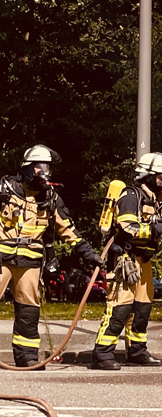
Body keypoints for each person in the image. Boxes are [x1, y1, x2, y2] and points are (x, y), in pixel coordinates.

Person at [0, 145, 105, 367]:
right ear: (27, 168)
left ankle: (27, 357)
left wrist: (89, 255)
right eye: (39, 167)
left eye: (47, 167)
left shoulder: (49, 197)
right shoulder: (6, 189)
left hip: (30, 263)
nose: (44, 172)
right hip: (2, 258)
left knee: (29, 310)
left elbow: (68, 230)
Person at [90, 152, 162, 371]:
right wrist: (161, 229)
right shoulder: (130, 196)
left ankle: (137, 352)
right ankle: (102, 354)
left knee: (142, 308)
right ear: (148, 176)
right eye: (160, 177)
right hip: (125, 260)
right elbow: (128, 228)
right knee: (119, 308)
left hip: (144, 261)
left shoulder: (158, 201)